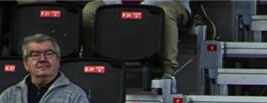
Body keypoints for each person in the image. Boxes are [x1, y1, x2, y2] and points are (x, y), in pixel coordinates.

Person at [82, 1, 215, 79]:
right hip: (117, 3)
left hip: (165, 3)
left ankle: (168, 72)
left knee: (165, 12)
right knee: (89, 13)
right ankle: (92, 66)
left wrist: (145, 5)